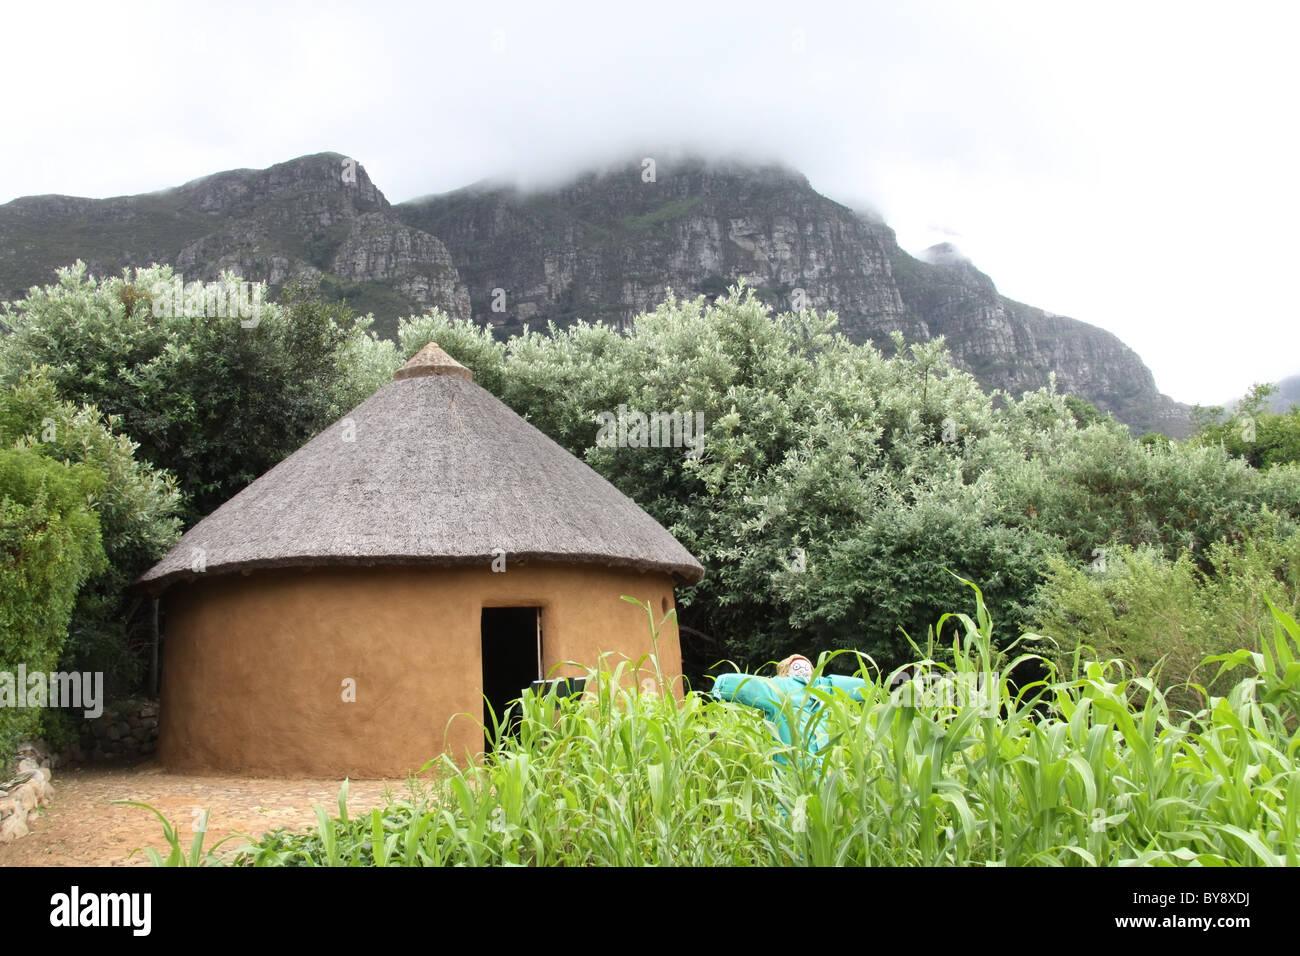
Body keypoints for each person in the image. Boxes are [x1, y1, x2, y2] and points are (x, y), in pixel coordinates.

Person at [710, 654, 868, 765]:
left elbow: (743, 684)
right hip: (822, 772)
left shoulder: (777, 688)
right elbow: (861, 687)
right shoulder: (824, 687)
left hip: (791, 772)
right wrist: (878, 690)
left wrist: (719, 687)